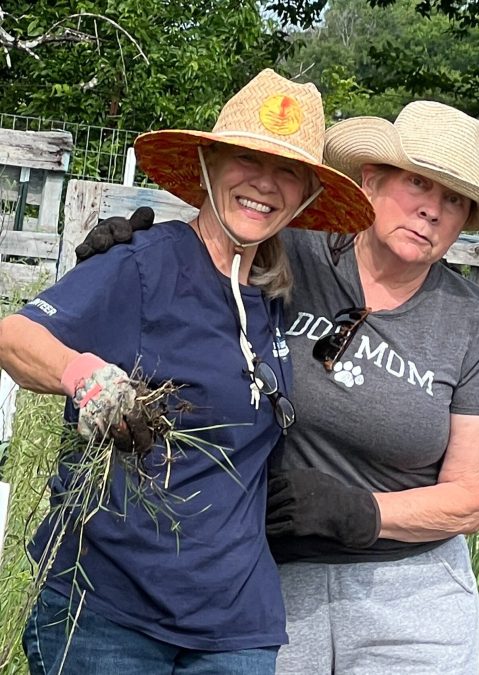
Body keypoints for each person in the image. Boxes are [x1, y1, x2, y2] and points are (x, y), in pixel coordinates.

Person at [79, 100, 479, 674]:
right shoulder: (289, 254)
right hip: (270, 573)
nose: (432, 211)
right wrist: (128, 258)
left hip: (411, 594)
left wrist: (363, 512)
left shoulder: (472, 321)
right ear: (372, 179)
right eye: (419, 183)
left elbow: (469, 497)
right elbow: (206, 245)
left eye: (454, 200)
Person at [0, 69, 373, 674]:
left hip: (237, 625)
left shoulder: (276, 299)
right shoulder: (146, 263)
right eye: (245, 159)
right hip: (111, 613)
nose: (264, 184)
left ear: (305, 195)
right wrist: (84, 375)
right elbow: (15, 337)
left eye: (287, 172)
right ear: (207, 165)